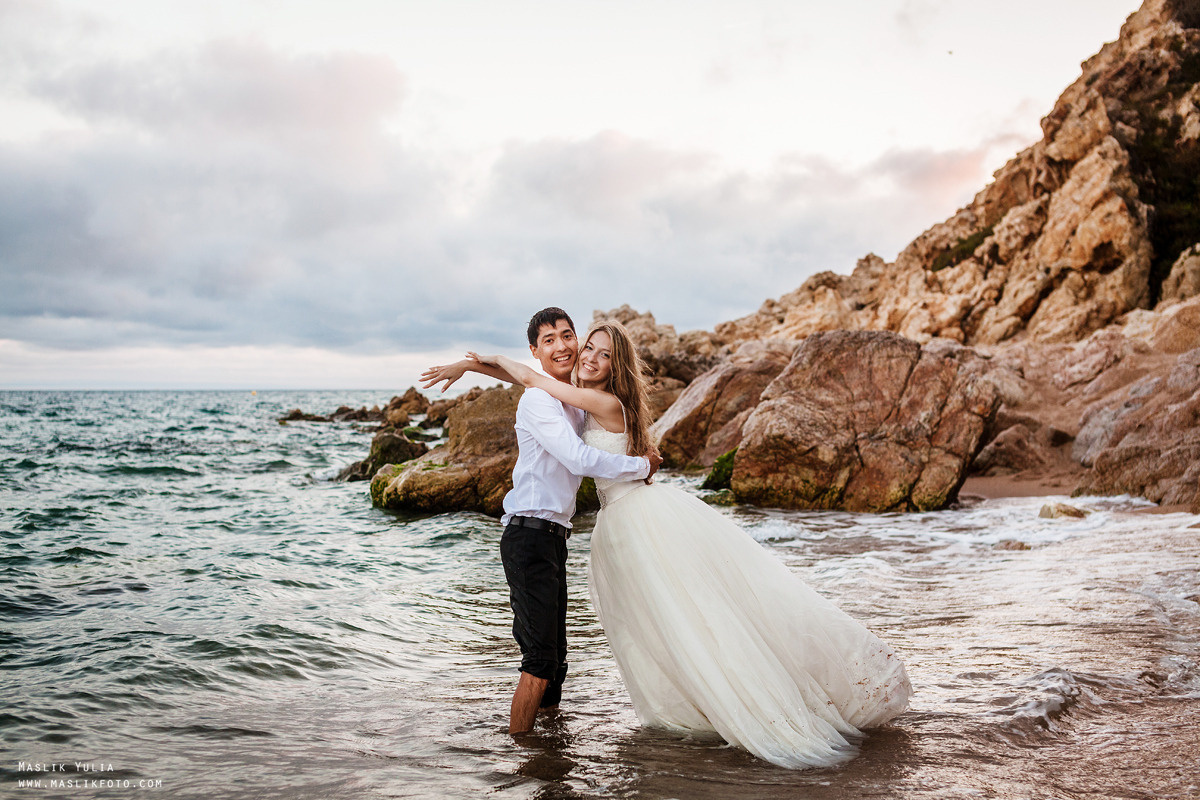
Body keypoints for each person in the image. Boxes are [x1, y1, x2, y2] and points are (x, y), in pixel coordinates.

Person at [436, 319, 913, 769]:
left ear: (616, 364)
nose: (590, 357)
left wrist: (640, 466)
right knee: (667, 623)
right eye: (588, 350)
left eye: (602, 353)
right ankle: (667, 710)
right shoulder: (581, 402)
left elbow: (535, 384)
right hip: (615, 523)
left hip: (634, 520)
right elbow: (529, 375)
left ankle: (532, 755)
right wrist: (471, 364)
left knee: (688, 619)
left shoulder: (601, 404)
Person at [421, 308, 662, 735]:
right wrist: (638, 466)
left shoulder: (567, 394)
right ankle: (521, 758)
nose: (564, 346)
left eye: (569, 336)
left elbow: (525, 375)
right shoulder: (539, 401)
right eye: (548, 341)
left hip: (553, 538)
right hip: (528, 535)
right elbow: (577, 456)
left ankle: (549, 749)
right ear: (535, 350)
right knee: (539, 661)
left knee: (556, 659)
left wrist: (474, 365)